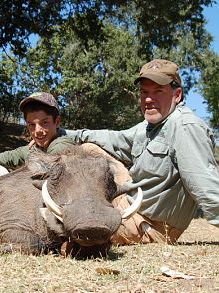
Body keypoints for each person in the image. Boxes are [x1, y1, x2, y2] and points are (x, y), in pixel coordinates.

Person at [65, 59, 219, 245]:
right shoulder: (149, 126)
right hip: (130, 205)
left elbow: (205, 185)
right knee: (88, 147)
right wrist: (61, 133)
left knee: (60, 228)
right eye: (144, 92)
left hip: (147, 226)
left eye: (158, 92)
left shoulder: (186, 127)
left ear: (177, 95)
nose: (148, 99)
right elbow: (112, 139)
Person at [0, 92, 76, 187]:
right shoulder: (33, 149)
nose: (38, 131)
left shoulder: (62, 146)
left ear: (57, 122)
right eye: (31, 125)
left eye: (44, 123)